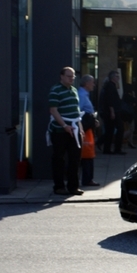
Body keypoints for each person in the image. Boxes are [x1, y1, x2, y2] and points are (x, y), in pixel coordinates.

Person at [47, 67, 84, 195]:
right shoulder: (55, 90)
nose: (72, 78)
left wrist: (80, 128)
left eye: (73, 76)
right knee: (59, 159)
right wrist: (64, 126)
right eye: (69, 76)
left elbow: (76, 111)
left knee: (75, 159)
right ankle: (59, 186)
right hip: (59, 131)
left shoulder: (74, 90)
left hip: (74, 129)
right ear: (61, 76)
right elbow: (53, 110)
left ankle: (73, 186)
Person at [78, 74, 99, 187]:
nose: (94, 85)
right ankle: (87, 178)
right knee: (87, 154)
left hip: (88, 127)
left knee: (88, 153)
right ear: (86, 83)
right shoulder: (81, 95)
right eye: (92, 82)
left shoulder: (84, 94)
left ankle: (88, 178)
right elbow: (79, 112)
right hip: (84, 129)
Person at [98, 70, 125, 155]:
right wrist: (112, 111)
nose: (118, 78)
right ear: (113, 77)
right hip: (112, 112)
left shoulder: (111, 86)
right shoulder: (110, 86)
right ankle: (116, 148)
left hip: (111, 111)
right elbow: (110, 100)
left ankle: (107, 148)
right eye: (117, 76)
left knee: (110, 130)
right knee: (119, 129)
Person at [122, 84, 137, 149]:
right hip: (129, 114)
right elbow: (134, 101)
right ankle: (120, 137)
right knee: (131, 129)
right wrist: (134, 95)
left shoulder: (124, 96)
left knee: (130, 128)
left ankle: (130, 142)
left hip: (127, 114)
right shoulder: (128, 96)